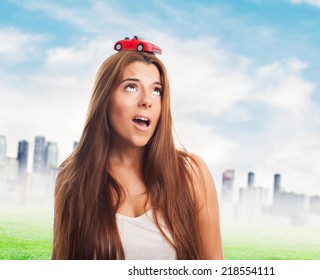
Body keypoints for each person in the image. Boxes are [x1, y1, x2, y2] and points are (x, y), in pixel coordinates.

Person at [52, 48, 223, 260]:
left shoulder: (191, 173)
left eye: (157, 91)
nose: (146, 101)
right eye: (131, 87)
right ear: (105, 99)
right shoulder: (73, 177)